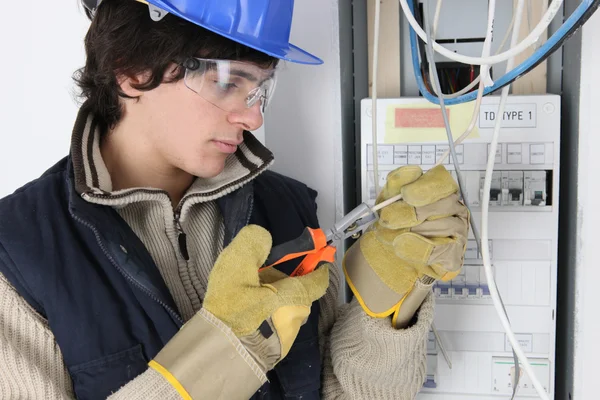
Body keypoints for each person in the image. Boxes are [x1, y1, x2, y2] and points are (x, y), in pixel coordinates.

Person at [0, 0, 469, 399]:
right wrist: (222, 355)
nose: (253, 117)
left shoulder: (285, 208)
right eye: (228, 82)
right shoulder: (19, 253)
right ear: (131, 70)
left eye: (261, 88)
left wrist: (387, 307)